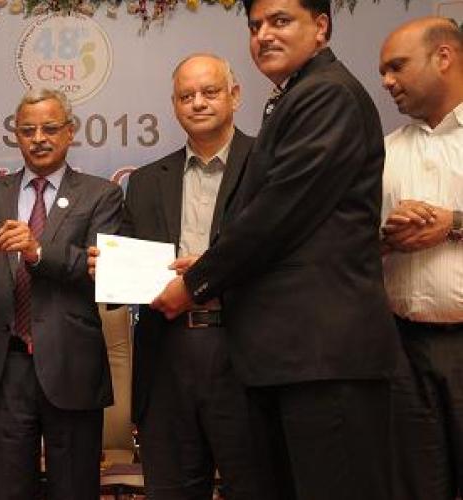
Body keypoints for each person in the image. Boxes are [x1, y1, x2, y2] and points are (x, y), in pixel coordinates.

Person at [154, 1, 397, 498]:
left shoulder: (327, 95)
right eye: (255, 25)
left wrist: (196, 282)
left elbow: (278, 214)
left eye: (280, 21)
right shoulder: (295, 96)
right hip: (292, 357)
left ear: (321, 27)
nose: (264, 34)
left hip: (323, 357)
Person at [91, 54, 259, 500]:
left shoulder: (269, 165)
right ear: (174, 104)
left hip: (244, 351)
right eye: (187, 96)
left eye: (210, 92)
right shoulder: (146, 180)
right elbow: (127, 258)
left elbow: (281, 252)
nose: (198, 103)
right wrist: (107, 267)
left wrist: (206, 272)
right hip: (166, 355)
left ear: (235, 96)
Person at [0, 88, 122, 500]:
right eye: (28, 129)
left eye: (50, 128)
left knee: (74, 487)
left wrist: (36, 251)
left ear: (70, 132)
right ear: (15, 135)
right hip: (6, 365)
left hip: (71, 364)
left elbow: (99, 273)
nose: (39, 138)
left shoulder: (101, 194)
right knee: (8, 489)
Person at [378, 17, 463, 500]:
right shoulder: (384, 152)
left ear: (444, 58)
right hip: (403, 351)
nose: (387, 81)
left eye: (397, 67)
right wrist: (388, 236)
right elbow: (350, 244)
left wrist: (452, 222)